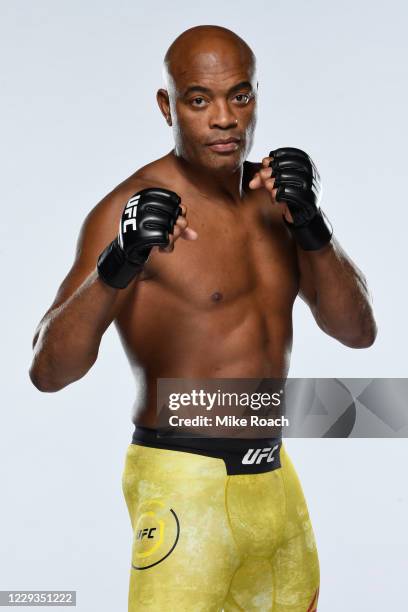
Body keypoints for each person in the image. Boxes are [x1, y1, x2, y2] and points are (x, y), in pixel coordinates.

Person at [29, 24, 377, 612]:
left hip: (274, 476)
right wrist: (121, 259)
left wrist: (312, 223)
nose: (225, 118)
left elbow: (358, 333)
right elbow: (48, 370)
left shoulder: (279, 201)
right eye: (199, 100)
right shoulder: (125, 208)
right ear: (167, 106)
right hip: (180, 481)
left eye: (240, 96)